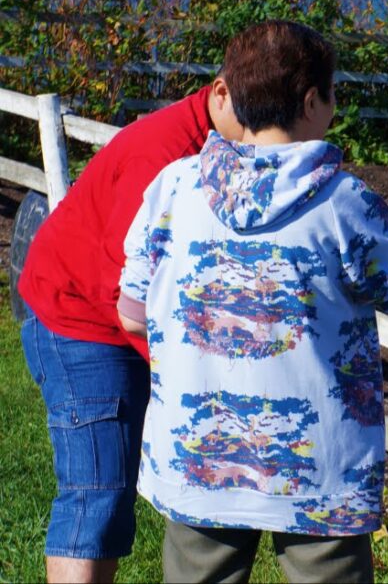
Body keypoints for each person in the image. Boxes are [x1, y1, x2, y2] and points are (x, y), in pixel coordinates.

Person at [116, 20, 388, 583]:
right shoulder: (342, 203)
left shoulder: (173, 188)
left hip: (198, 457)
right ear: (309, 101)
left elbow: (130, 311)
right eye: (331, 95)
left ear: (235, 96)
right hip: (317, 468)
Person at [18, 47, 245, 583]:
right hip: (82, 322)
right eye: (256, 116)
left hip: (98, 312)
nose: (264, 134)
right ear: (219, 93)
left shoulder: (213, 140)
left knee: (105, 494)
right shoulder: (166, 156)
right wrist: (185, 370)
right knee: (96, 496)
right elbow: (119, 289)